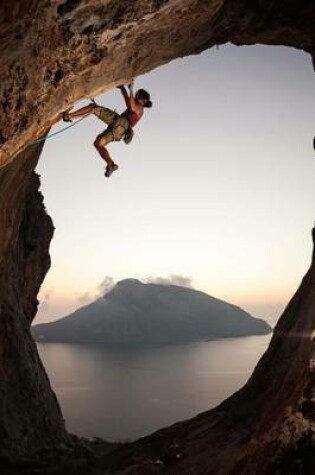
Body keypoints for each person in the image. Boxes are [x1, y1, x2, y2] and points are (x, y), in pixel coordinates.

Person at [62, 80, 152, 177]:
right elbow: (127, 100)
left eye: (138, 96)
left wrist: (130, 89)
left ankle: (69, 116)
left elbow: (130, 105)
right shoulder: (137, 106)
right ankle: (110, 164)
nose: (135, 97)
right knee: (98, 143)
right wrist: (122, 88)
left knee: (93, 108)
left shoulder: (140, 108)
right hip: (119, 132)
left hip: (120, 123)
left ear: (144, 101)